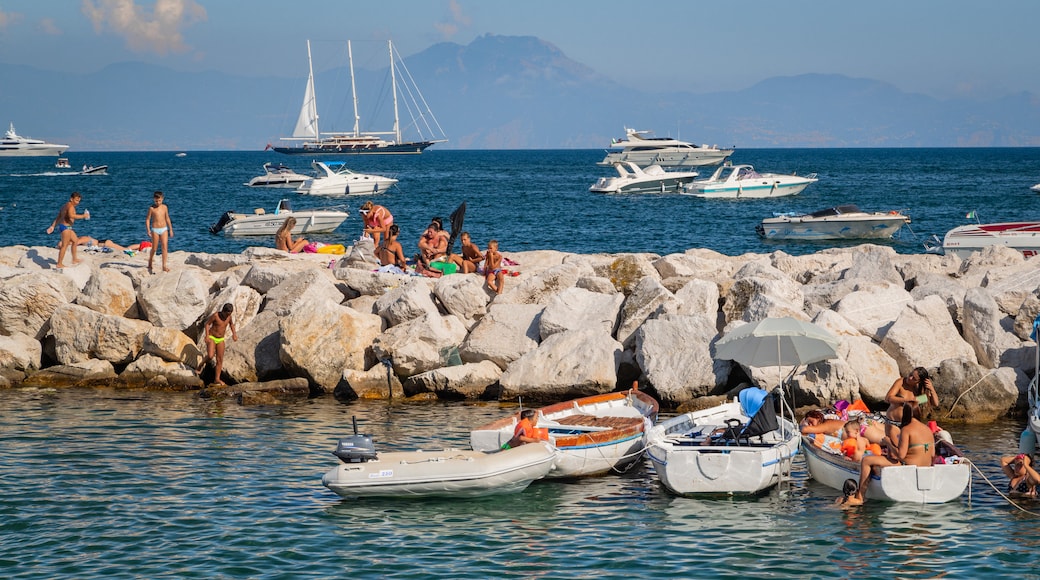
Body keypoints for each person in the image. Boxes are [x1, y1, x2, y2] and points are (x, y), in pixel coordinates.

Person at [844, 402, 935, 506]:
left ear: (905, 413)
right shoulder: (927, 429)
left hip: (908, 466)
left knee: (866, 460)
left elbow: (901, 455)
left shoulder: (907, 429)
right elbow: (932, 454)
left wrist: (888, 443)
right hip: (926, 467)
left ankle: (860, 497)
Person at [885, 367, 938, 440]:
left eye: (914, 378)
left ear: (919, 382)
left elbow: (935, 403)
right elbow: (888, 398)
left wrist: (932, 389)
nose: (910, 378)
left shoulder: (920, 390)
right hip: (894, 424)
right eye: (911, 374)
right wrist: (907, 400)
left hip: (910, 426)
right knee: (899, 447)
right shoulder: (901, 382)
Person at [197, 303, 238, 386]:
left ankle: (217, 379)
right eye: (226, 314)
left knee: (220, 360)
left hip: (221, 339)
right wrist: (207, 336)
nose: (227, 316)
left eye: (229, 314)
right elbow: (207, 324)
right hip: (212, 337)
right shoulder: (216, 315)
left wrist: (234, 334)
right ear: (223, 311)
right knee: (210, 355)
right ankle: (201, 364)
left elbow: (231, 324)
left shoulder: (229, 317)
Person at [46, 191, 89, 269]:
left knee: (75, 241)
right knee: (64, 246)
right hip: (66, 228)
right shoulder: (70, 207)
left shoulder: (64, 206)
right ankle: (59, 264)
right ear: (71, 199)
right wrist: (83, 216)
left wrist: (52, 226)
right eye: (76, 200)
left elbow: (59, 217)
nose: (77, 202)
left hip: (66, 227)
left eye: (79, 201)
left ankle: (74, 259)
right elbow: (71, 215)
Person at [145, 190, 173, 273]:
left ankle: (164, 266)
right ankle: (150, 261)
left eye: (159, 200)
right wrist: (148, 230)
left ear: (162, 199)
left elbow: (167, 218)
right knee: (154, 248)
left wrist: (170, 229)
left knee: (164, 247)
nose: (158, 202)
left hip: (164, 229)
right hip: (155, 230)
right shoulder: (151, 208)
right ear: (154, 199)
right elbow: (147, 219)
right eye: (156, 201)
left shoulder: (165, 207)